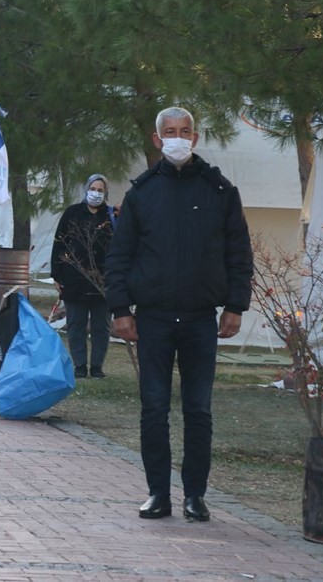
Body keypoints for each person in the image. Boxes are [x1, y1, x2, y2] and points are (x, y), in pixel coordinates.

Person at [104, 106, 253, 523]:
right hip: (151, 317)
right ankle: (157, 493)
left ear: (196, 136)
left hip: (200, 318)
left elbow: (239, 253)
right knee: (153, 408)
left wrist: (236, 306)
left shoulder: (220, 190)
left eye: (184, 131)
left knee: (198, 410)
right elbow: (119, 257)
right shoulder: (141, 194)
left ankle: (195, 496)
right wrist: (120, 309)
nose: (177, 137)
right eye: (169, 131)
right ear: (157, 139)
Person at [51, 174, 115, 379]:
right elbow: (59, 244)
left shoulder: (111, 216)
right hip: (74, 279)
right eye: (93, 188)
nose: (95, 193)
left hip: (103, 281)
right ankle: (79, 365)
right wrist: (57, 275)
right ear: (86, 189)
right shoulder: (72, 214)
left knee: (101, 327)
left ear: (105, 193)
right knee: (76, 324)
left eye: (100, 190)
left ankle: (97, 366)